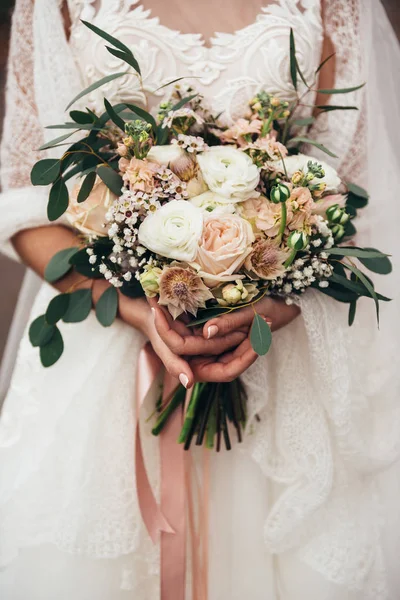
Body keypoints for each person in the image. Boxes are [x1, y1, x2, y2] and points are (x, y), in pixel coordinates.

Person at [0, 1, 399, 598]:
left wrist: (273, 306)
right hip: (108, 347)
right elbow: (24, 194)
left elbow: (352, 201)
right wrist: (133, 305)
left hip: (278, 360)